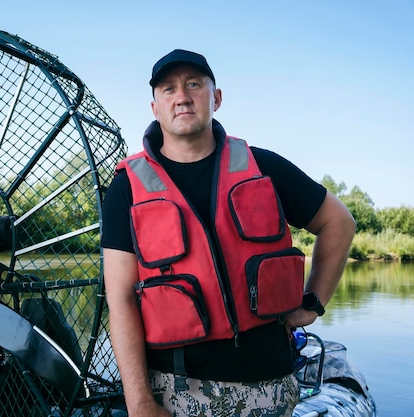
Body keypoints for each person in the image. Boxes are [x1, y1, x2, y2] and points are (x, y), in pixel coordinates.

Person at [101, 49, 356, 417]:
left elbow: (339, 223)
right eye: (168, 89)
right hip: (176, 390)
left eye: (193, 84)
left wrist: (312, 303)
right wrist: (139, 402)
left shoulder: (262, 165)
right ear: (155, 108)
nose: (182, 97)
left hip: (270, 385)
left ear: (216, 98)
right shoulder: (127, 188)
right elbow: (121, 298)